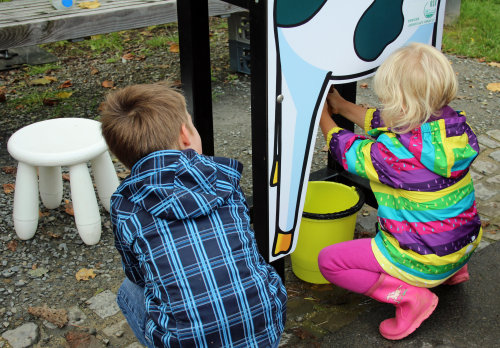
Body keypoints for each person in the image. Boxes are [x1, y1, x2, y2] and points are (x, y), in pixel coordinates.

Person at [100, 83, 287, 347]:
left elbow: (136, 274)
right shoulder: (222, 179)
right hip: (266, 327)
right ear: (186, 136)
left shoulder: (126, 204)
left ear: (124, 159)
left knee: (128, 291)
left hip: (189, 341)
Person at [317, 43, 482, 340]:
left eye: (387, 100)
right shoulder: (452, 128)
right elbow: (386, 122)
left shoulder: (394, 156)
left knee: (329, 261)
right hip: (462, 246)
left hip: (423, 260)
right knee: (444, 218)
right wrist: (341, 106)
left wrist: (322, 118)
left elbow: (348, 151)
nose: (383, 106)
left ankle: (410, 297)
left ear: (402, 107)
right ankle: (453, 273)